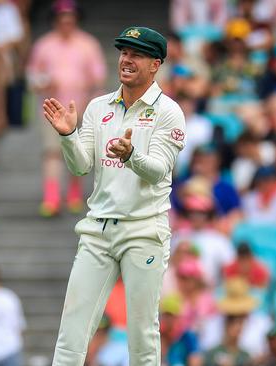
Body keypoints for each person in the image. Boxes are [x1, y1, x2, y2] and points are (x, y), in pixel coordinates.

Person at [44, 26, 185, 366]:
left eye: (136, 54)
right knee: (72, 330)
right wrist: (68, 136)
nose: (126, 59)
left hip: (143, 230)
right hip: (98, 229)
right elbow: (80, 167)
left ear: (156, 64)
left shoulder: (168, 112)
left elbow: (159, 170)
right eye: (123, 52)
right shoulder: (98, 107)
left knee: (142, 333)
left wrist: (131, 155)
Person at [28, 0, 106, 216]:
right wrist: (42, 83)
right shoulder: (44, 45)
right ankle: (52, 196)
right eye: (62, 20)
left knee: (76, 151)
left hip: (80, 107)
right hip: (52, 109)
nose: (66, 24)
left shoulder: (88, 44)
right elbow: (33, 75)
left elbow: (98, 78)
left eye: (70, 20)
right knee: (52, 152)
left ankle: (74, 192)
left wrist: (91, 104)